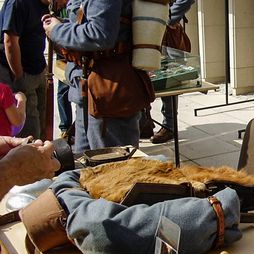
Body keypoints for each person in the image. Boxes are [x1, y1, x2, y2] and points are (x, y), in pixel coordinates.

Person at [41, 0, 145, 154]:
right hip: (91, 91)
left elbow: (100, 34)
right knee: (86, 166)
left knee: (114, 169)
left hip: (107, 94)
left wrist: (57, 30)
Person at [0, 0, 49, 139]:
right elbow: (9, 42)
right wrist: (19, 75)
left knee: (41, 123)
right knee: (29, 130)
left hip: (37, 69)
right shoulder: (18, 3)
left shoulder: (44, 5)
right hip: (17, 72)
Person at [150, 0, 195, 144]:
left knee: (169, 80)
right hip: (144, 29)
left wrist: (168, 18)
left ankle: (169, 126)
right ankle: (144, 122)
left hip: (166, 33)